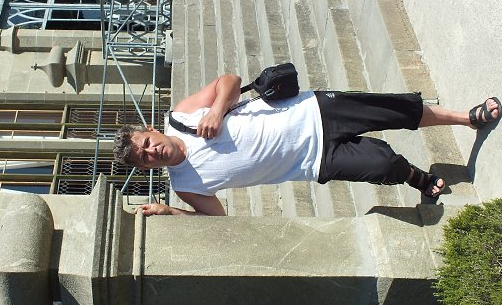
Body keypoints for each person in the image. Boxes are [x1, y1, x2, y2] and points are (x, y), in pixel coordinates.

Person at [113, 74, 500, 216]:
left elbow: (229, 80)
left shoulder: (182, 116)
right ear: (147, 168)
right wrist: (171, 210)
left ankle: (466, 118)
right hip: (314, 160)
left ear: (151, 130)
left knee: (393, 110)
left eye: (146, 143)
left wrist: (216, 109)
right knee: (381, 166)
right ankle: (417, 178)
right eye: (144, 159)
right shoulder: (185, 185)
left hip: (312, 111)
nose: (151, 152)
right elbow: (217, 220)